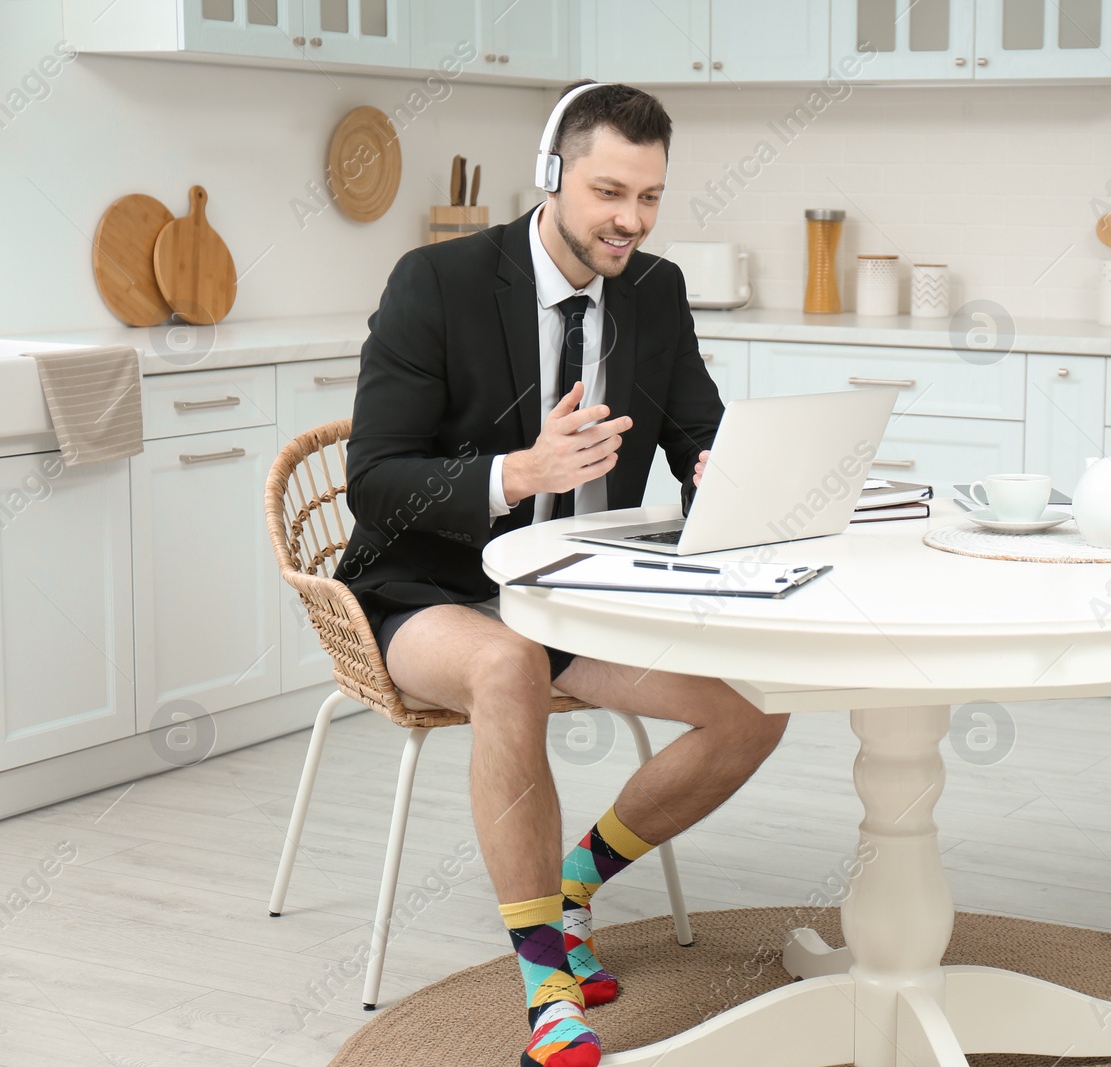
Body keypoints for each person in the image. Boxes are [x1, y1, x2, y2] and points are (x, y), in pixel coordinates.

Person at [337, 80, 789, 1067]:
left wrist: (723, 471)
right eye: (608, 191)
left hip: (584, 592)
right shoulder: (437, 281)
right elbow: (374, 484)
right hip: (432, 586)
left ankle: (573, 880)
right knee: (505, 667)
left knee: (756, 705)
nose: (630, 219)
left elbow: (696, 430)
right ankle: (545, 971)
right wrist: (518, 473)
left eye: (651, 196)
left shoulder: (655, 292)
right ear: (550, 177)